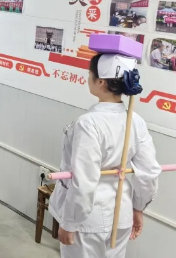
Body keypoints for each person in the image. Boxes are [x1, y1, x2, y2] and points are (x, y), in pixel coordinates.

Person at [49, 53, 161, 258]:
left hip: (88, 221)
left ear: (100, 81)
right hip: (122, 214)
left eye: (89, 73)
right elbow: (149, 172)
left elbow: (84, 180)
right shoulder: (135, 121)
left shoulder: (88, 123)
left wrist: (70, 222)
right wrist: (138, 208)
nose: (88, 77)